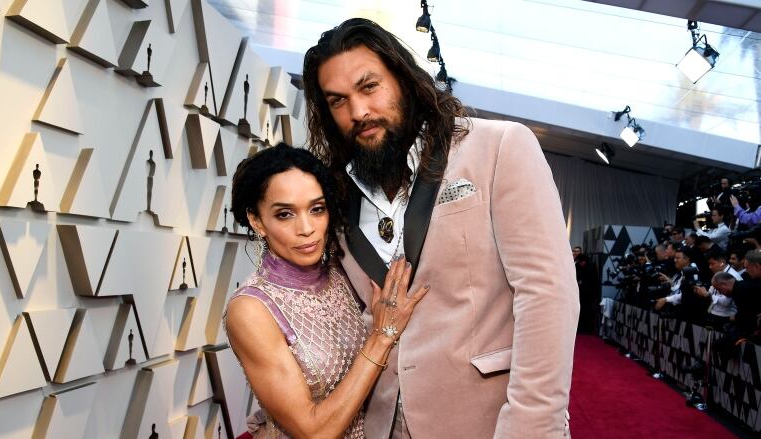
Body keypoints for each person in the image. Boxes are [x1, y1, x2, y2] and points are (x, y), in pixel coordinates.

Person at [302, 18, 579, 438]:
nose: (358, 112)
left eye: (369, 87)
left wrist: (530, 427)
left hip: (487, 421)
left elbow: (547, 294)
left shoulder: (498, 147)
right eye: (338, 101)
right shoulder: (336, 197)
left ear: (404, 79)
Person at [223, 144, 430, 438]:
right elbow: (313, 432)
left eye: (317, 209)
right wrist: (382, 337)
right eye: (285, 214)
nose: (307, 228)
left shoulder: (342, 270)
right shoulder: (251, 310)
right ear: (257, 221)